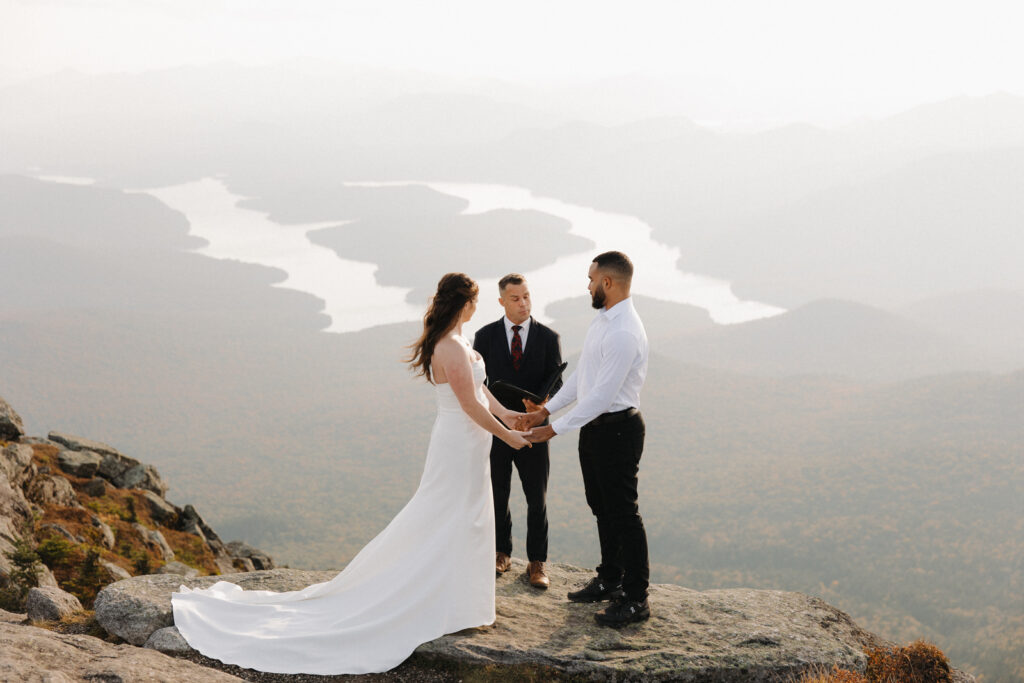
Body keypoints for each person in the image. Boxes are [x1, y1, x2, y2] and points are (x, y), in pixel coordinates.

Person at [171, 273, 532, 675]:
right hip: (459, 444)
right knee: (451, 515)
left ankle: (462, 602)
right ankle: (445, 601)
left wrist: (508, 414)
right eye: (474, 301)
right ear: (465, 304)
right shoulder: (449, 346)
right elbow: (467, 403)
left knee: (468, 517)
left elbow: (482, 394)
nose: (476, 308)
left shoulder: (461, 342)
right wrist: (507, 437)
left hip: (470, 441)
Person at [517, 251, 651, 627]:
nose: (587, 286)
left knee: (624, 514)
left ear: (607, 283)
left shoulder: (625, 331)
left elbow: (602, 396)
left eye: (591, 280)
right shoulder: (604, 320)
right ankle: (610, 579)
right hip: (596, 428)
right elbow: (582, 377)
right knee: (601, 506)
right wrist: (546, 410)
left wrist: (554, 428)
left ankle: (637, 599)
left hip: (619, 429)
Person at [473, 273, 563, 589]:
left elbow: (558, 379)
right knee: (498, 492)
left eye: (526, 296)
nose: (523, 303)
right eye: (515, 298)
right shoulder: (483, 337)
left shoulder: (549, 338)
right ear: (501, 301)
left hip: (533, 430)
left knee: (536, 497)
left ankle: (537, 563)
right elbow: (478, 384)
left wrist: (540, 407)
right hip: (497, 429)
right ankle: (501, 552)